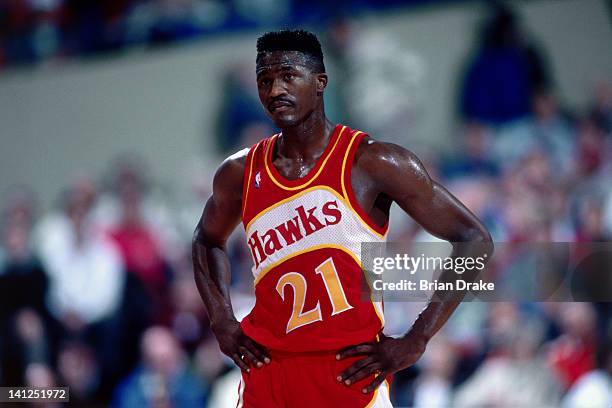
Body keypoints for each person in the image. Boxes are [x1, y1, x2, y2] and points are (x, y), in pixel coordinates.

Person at [192, 30, 493, 407]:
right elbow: (206, 240)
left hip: (350, 374)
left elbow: (474, 238)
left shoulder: (373, 161)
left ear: (320, 83)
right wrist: (221, 319)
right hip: (269, 374)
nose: (274, 90)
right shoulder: (239, 172)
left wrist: (418, 337)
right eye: (265, 81)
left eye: (288, 76)